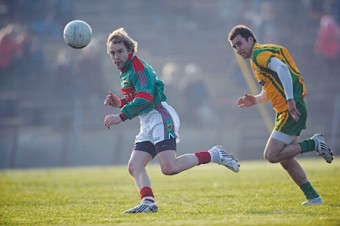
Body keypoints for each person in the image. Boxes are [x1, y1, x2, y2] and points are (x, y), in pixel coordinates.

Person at [103, 28, 240, 214]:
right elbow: (136, 97)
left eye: (120, 51)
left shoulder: (138, 68)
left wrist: (121, 116)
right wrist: (120, 103)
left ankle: (215, 154)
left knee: (169, 167)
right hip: (147, 120)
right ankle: (148, 202)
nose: (116, 56)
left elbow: (145, 97)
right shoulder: (126, 71)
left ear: (130, 51)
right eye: (112, 52)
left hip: (160, 116)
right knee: (134, 166)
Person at [227, 25, 333, 205]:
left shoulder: (258, 55)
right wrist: (256, 99)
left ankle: (314, 143)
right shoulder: (258, 56)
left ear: (250, 39)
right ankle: (314, 197)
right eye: (234, 47)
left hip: (289, 109)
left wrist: (290, 100)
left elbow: (283, 69)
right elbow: (272, 89)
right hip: (286, 109)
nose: (238, 49)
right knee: (286, 159)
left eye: (239, 44)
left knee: (271, 155)